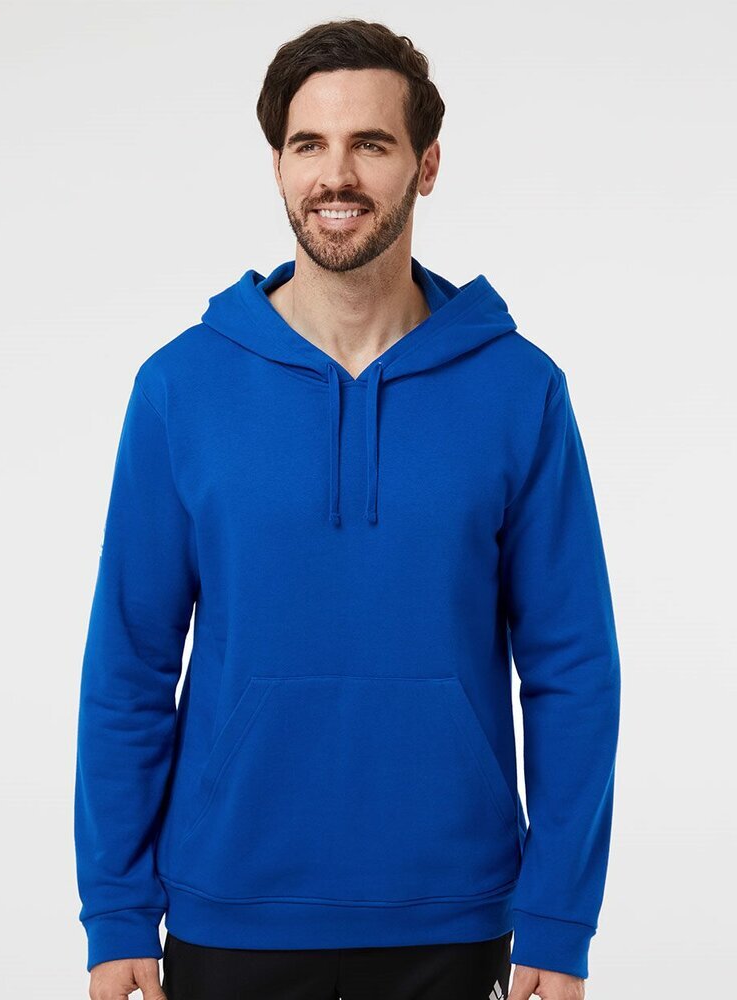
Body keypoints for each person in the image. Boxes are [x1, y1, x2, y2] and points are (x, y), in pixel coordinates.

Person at [74, 17, 620, 1000]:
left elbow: (572, 666)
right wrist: (115, 908)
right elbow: (129, 661)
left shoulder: (518, 389)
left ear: (426, 163)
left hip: (455, 914)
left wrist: (558, 913)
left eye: (370, 143)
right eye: (307, 144)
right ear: (278, 166)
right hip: (227, 908)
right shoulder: (180, 387)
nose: (336, 175)